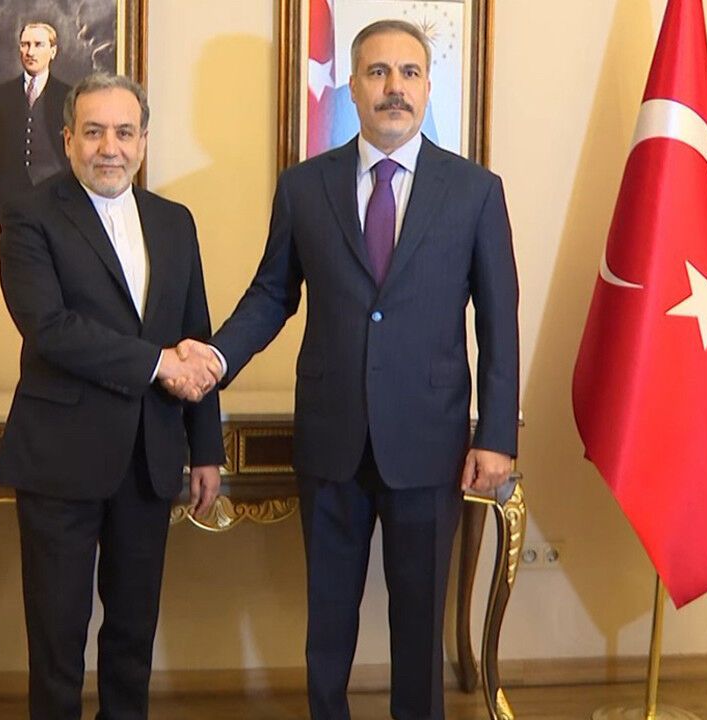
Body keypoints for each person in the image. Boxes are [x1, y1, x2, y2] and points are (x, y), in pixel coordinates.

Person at [180, 19, 519, 720]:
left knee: (419, 625)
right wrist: (214, 357)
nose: (394, 87)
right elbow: (271, 294)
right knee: (328, 621)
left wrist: (495, 436)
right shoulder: (305, 187)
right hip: (332, 439)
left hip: (429, 442)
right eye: (377, 72)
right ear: (353, 87)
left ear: (427, 87)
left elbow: (498, 319)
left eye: (409, 73)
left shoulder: (475, 191)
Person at [0, 72, 225, 720]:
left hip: (149, 458)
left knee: (132, 635)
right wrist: (157, 363)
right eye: (93, 132)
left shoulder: (174, 222)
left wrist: (206, 447)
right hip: (59, 460)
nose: (109, 147)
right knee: (57, 639)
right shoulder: (30, 214)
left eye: (124, 132)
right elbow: (51, 329)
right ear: (68, 138)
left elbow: (196, 335)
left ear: (143, 141)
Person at [0, 22, 72, 222]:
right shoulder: (0, 95)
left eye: (38, 45)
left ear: (53, 51)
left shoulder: (68, 96)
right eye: (25, 44)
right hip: (10, 199)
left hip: (56, 196)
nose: (30, 52)